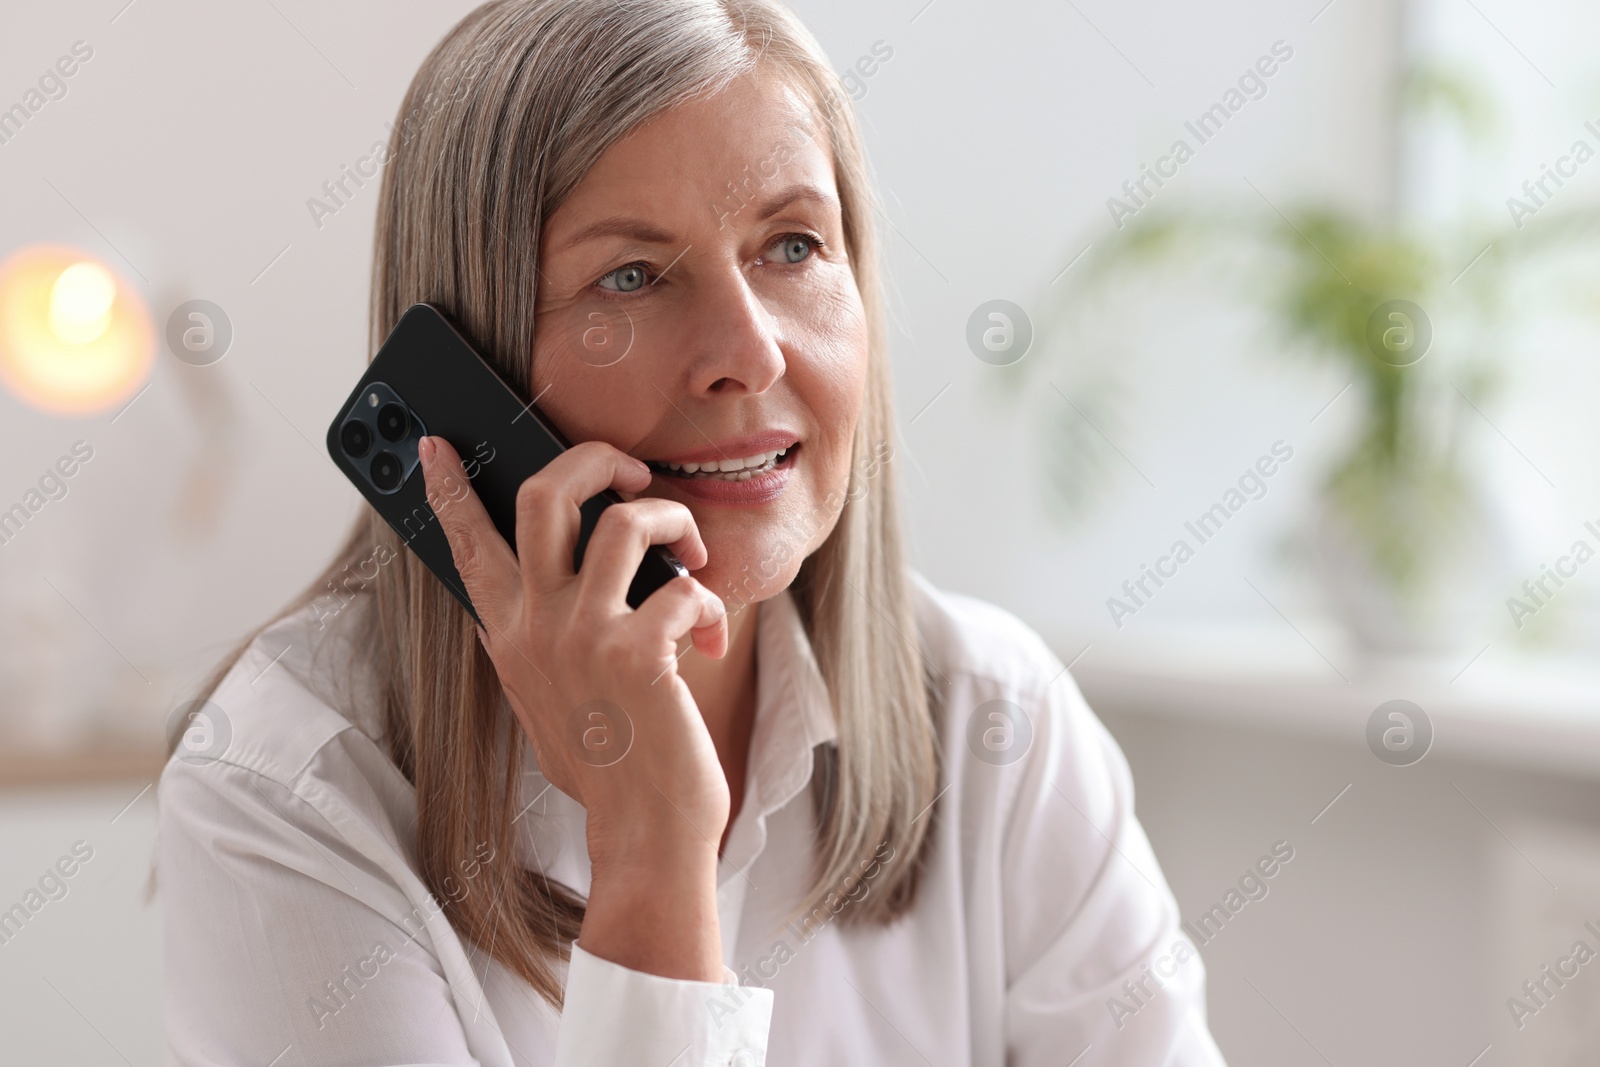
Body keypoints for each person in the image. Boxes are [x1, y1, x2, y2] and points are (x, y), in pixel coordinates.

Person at [157, 1, 1229, 1063]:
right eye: (631, 277)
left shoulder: (1001, 722)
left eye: (793, 245)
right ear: (473, 371)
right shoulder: (283, 786)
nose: (748, 353)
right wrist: (650, 844)